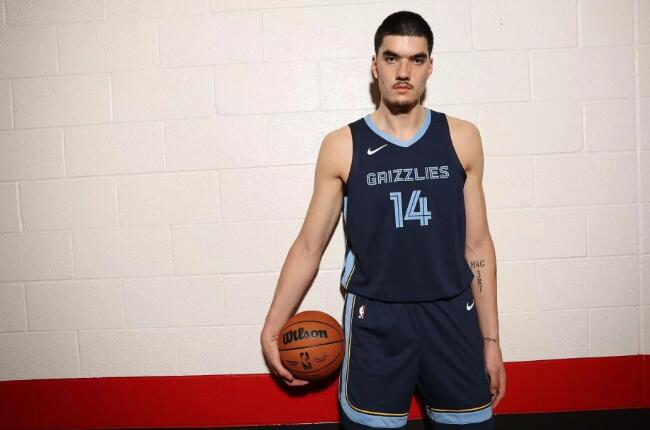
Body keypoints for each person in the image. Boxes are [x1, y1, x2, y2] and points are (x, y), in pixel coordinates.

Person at [261, 10, 505, 429]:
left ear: (430, 66)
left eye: (416, 59)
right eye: (392, 58)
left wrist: (492, 340)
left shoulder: (462, 138)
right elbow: (310, 246)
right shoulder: (342, 146)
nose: (403, 71)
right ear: (375, 66)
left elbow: (477, 246)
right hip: (375, 321)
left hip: (452, 315)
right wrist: (272, 326)